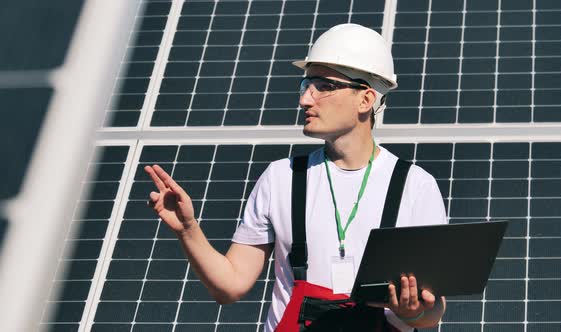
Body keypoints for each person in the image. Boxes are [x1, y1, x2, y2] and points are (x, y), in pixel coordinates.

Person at [145, 23, 448, 331]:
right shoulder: (280, 178)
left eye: (324, 86)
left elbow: (432, 310)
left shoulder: (416, 187)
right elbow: (231, 284)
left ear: (366, 100)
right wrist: (187, 229)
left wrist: (411, 312)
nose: (305, 99)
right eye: (306, 86)